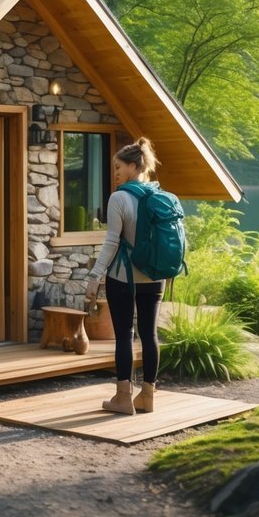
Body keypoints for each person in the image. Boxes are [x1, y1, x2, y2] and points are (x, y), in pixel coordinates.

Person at [84, 137, 166, 415]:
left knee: (123, 335)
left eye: (119, 167)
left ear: (133, 166)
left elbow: (111, 243)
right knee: (149, 334)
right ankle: (149, 396)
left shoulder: (119, 197)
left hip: (123, 277)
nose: (115, 172)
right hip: (155, 278)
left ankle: (122, 398)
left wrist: (95, 277)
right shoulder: (159, 195)